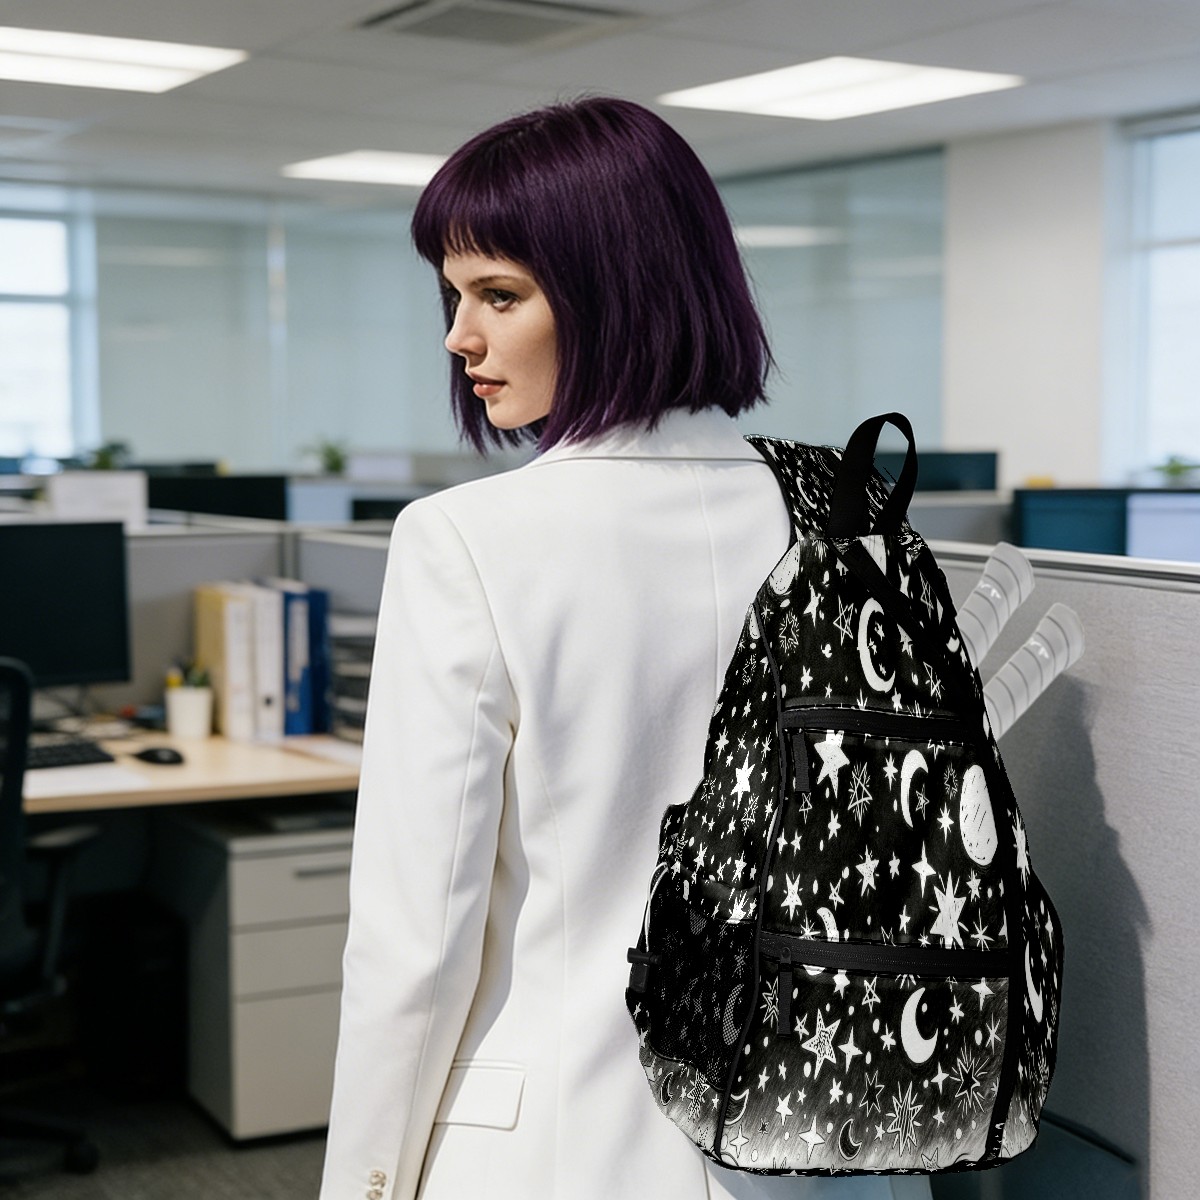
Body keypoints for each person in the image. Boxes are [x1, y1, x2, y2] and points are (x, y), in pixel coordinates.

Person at [319, 97, 933, 1200]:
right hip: (827, 1144)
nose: (459, 337)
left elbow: (415, 945)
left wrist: (361, 1187)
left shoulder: (467, 541)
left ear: (614, 290)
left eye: (499, 294)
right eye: (453, 295)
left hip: (568, 1148)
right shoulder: (852, 521)